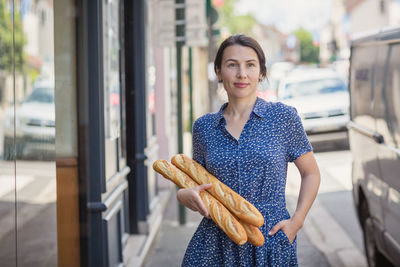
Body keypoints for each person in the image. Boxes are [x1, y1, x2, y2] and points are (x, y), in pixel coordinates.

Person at [177, 34, 321, 266]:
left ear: (261, 73)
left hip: (269, 240)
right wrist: (183, 195)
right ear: (218, 72)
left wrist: (297, 222)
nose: (241, 73)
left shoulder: (283, 118)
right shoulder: (204, 127)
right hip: (215, 243)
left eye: (250, 65)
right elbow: (196, 183)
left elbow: (311, 173)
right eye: (232, 65)